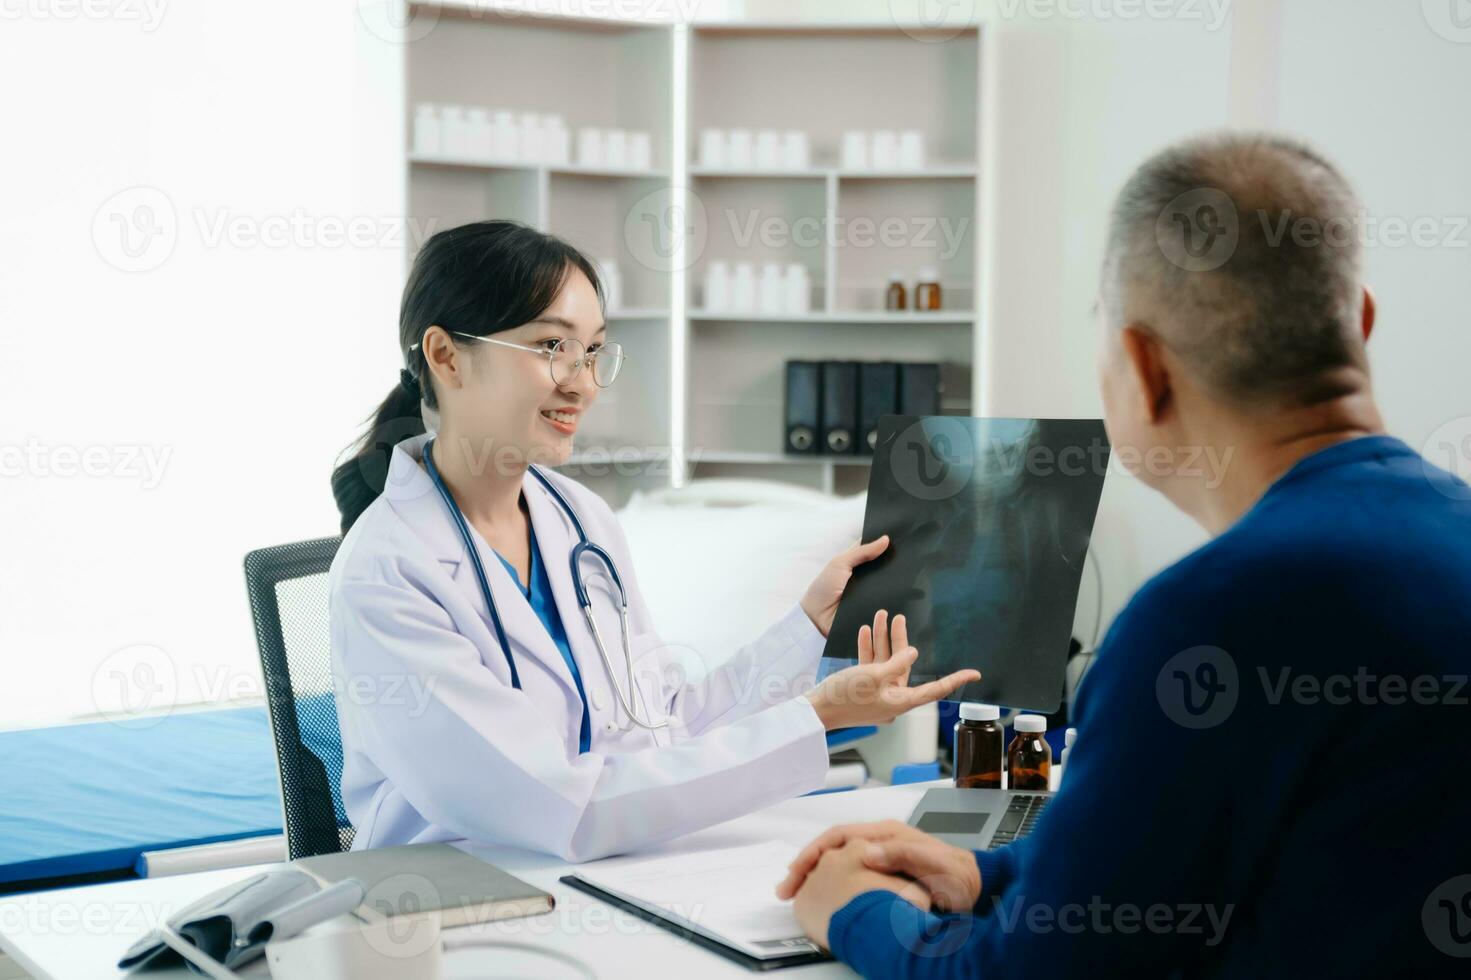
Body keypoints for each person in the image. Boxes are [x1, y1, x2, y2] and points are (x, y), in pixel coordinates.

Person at [777, 133, 1471, 975]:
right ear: (1360, 320)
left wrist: (852, 914)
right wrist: (987, 870)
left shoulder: (1210, 617)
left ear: (1143, 369)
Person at [327, 221, 978, 862]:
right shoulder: (387, 571)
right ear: (445, 356)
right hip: (461, 903)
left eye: (592, 352)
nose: (581, 382)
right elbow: (563, 806)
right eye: (553, 346)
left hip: (605, 875)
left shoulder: (580, 520)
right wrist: (813, 719)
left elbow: (664, 724)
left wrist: (807, 627)